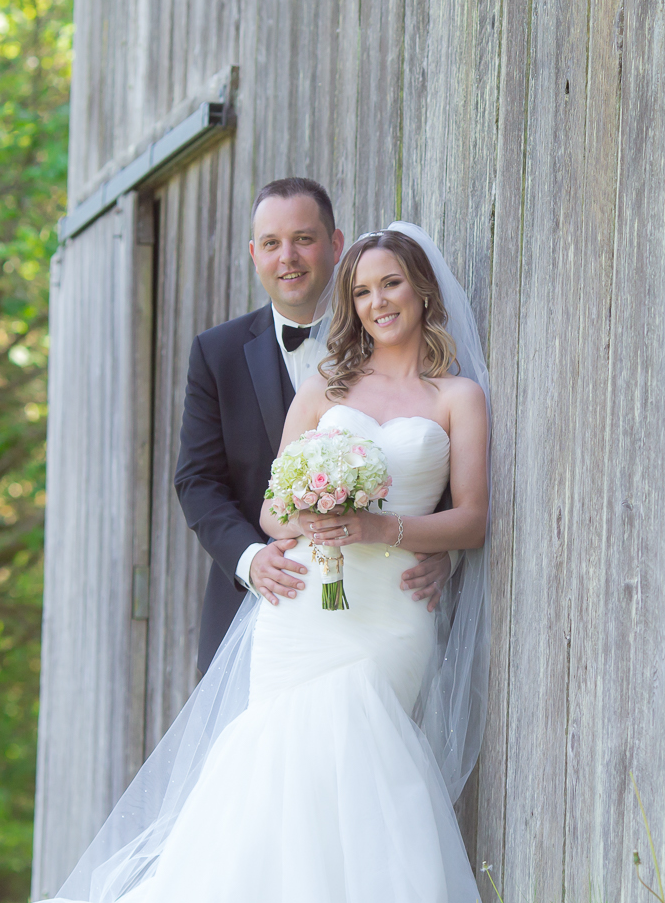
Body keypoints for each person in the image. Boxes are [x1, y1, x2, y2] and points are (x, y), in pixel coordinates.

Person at [0, 223, 491, 903]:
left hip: (392, 612)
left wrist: (382, 527)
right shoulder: (327, 391)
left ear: (421, 288)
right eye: (361, 291)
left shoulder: (457, 397)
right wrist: (317, 516)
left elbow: (470, 520)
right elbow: (271, 507)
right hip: (306, 611)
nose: (377, 302)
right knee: (276, 766)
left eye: (390, 284)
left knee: (364, 765)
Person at [173, 178, 455, 677]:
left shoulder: (394, 334)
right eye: (271, 244)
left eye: (304, 239)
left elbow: (432, 454)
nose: (289, 257)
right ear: (254, 254)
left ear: (336, 245)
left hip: (387, 603)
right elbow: (197, 481)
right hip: (256, 601)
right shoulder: (216, 353)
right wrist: (251, 560)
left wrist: (443, 549)